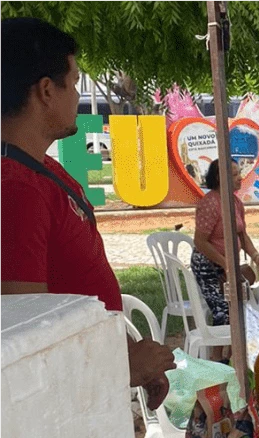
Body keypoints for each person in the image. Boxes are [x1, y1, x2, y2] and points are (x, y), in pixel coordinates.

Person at [0, 17, 174, 409]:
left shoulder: (45, 172)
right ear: (46, 90)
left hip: (90, 396)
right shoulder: (16, 190)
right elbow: (20, 343)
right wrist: (122, 367)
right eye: (75, 82)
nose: (77, 95)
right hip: (57, 417)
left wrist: (128, 353)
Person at [192, 159, 259, 336]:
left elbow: (243, 236)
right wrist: (225, 263)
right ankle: (217, 356)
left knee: (243, 306)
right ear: (220, 178)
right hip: (209, 266)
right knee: (224, 312)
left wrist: (258, 258)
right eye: (234, 174)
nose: (240, 178)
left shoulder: (235, 203)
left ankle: (229, 352)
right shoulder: (210, 203)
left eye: (238, 173)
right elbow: (200, 241)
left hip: (227, 265)